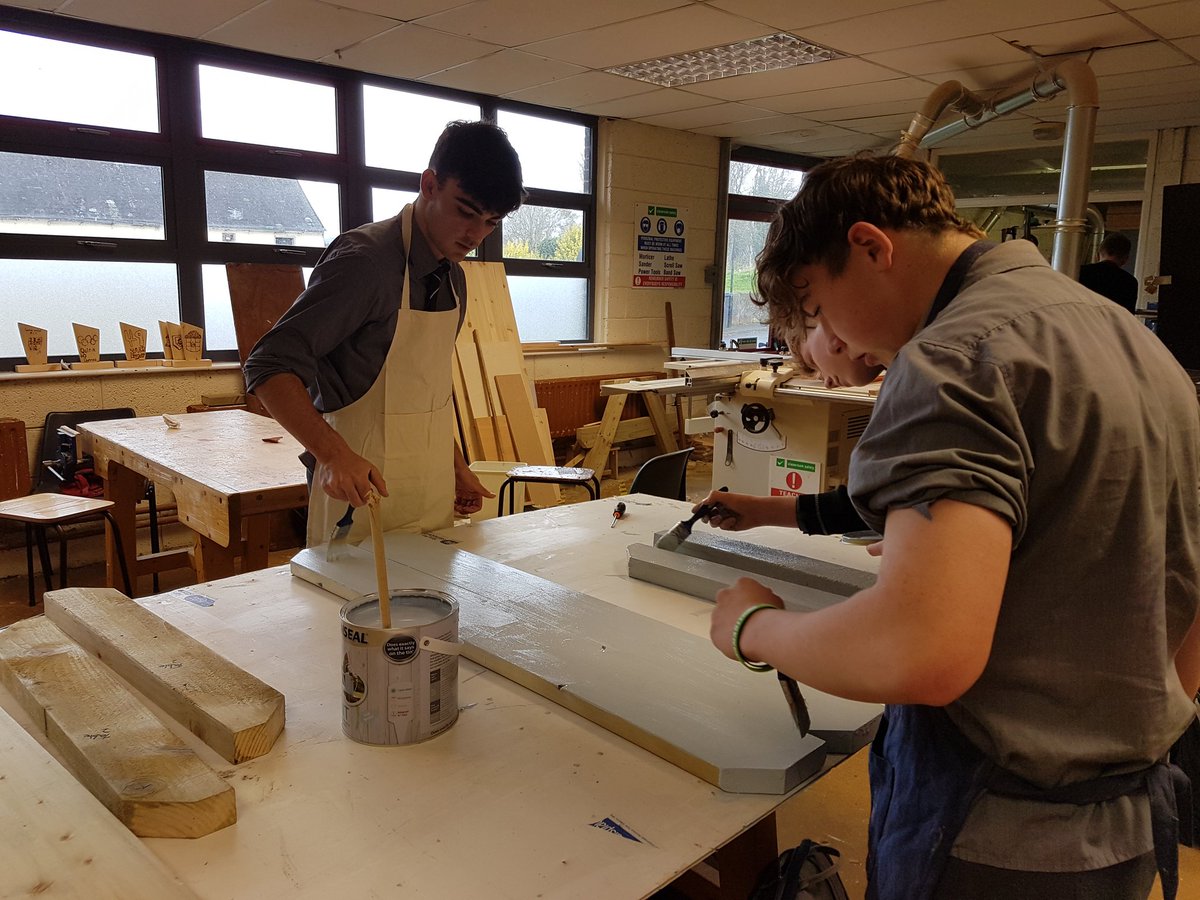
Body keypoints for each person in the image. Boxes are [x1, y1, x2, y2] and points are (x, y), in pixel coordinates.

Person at [708, 155, 1200, 900]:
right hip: (1127, 823)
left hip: (991, 842)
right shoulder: (1133, 342)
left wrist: (752, 628)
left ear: (871, 249)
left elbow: (921, 650)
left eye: (816, 310)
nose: (826, 338)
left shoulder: (954, 359)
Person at [244, 120, 525, 547]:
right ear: (429, 184)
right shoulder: (366, 262)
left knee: (432, 607)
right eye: (466, 212)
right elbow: (268, 365)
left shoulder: (454, 279)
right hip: (356, 496)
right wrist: (333, 455)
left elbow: (426, 390)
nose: (475, 235)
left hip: (429, 495)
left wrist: (453, 465)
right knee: (352, 609)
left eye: (491, 222)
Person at [695, 319, 878, 537]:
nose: (827, 383)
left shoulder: (917, 376)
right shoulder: (908, 369)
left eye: (811, 361)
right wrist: (758, 511)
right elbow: (866, 507)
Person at [1078, 231, 1139, 313]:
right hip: (1111, 325)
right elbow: (1129, 316)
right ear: (1125, 259)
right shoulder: (1130, 282)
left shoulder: (1080, 272)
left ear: (1097, 254)